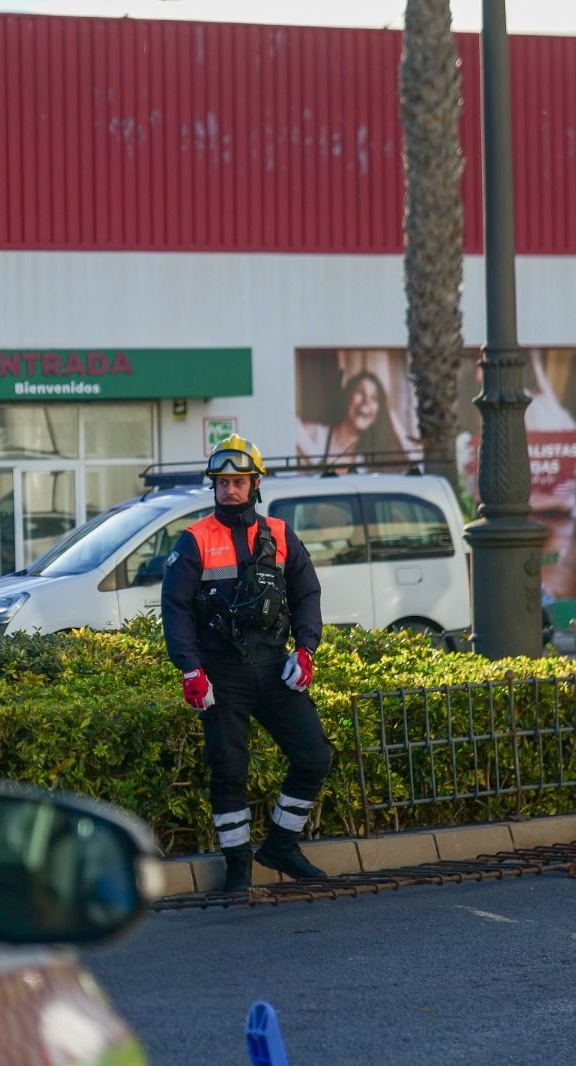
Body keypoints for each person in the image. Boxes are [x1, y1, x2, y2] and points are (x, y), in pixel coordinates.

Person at [160, 434, 333, 891]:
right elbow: (175, 608)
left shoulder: (279, 534)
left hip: (275, 668)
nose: (230, 490)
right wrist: (190, 669)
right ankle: (238, 866)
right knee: (229, 771)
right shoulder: (195, 539)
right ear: (214, 486)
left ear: (256, 484)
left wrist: (305, 649)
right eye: (222, 482)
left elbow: (307, 593)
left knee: (314, 755)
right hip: (222, 676)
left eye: (238, 482)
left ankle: (281, 845)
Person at [295, 369, 412, 471]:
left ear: (376, 417)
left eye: (374, 398)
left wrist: (389, 413)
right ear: (347, 397)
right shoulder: (315, 435)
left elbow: (415, 464)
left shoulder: (366, 463)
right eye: (360, 392)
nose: (366, 402)